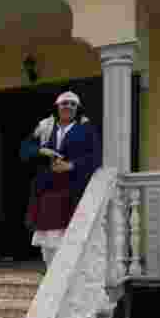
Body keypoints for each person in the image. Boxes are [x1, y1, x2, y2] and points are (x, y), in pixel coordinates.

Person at [21, 90, 102, 266]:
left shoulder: (86, 129)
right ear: (57, 107)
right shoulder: (45, 127)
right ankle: (50, 272)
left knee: (69, 238)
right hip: (47, 189)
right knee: (47, 239)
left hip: (73, 189)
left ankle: (64, 273)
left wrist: (72, 165)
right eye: (64, 103)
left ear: (77, 108)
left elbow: (96, 157)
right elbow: (24, 150)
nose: (68, 107)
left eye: (72, 104)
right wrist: (40, 150)